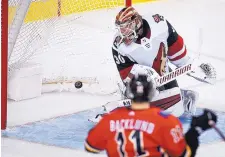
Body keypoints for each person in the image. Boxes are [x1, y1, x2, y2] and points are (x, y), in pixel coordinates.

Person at [111, 6, 216, 117]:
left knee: (177, 110)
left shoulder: (158, 23)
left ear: (136, 22)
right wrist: (135, 86)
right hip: (142, 82)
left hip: (163, 72)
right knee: (164, 113)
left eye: (126, 27)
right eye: (120, 28)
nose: (122, 32)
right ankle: (141, 99)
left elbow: (174, 44)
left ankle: (183, 97)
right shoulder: (119, 46)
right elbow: (125, 73)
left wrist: (188, 64)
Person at [85, 74, 217, 157]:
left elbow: (90, 147)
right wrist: (196, 130)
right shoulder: (167, 121)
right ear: (151, 94)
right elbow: (184, 154)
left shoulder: (111, 120)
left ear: (129, 93)